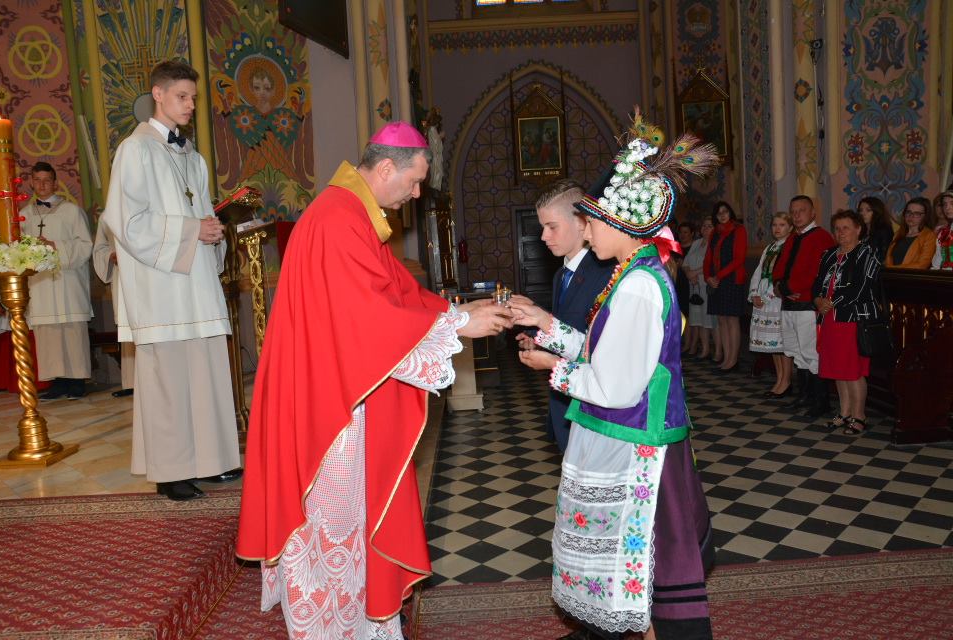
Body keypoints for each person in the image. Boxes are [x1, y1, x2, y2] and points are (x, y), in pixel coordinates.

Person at [236, 121, 514, 640]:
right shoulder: (339, 219)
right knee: (335, 516)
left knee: (354, 514)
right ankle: (331, 629)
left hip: (336, 388)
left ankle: (361, 622)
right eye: (414, 182)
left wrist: (457, 311)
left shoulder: (352, 213)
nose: (416, 194)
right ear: (386, 167)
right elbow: (364, 319)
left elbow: (396, 294)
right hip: (326, 406)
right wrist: (458, 324)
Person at [511, 114, 717, 640]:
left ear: (622, 224)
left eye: (592, 221)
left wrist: (554, 368)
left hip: (637, 448)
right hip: (631, 440)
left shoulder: (638, 286)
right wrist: (547, 325)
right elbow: (604, 354)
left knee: (642, 573)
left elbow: (617, 387)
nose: (586, 231)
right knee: (639, 580)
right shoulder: (631, 275)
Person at [101, 60, 241, 502]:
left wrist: (212, 230)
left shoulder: (192, 157)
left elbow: (198, 213)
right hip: (161, 289)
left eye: (193, 98)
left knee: (204, 372)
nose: (190, 105)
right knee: (169, 381)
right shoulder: (135, 150)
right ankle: (171, 471)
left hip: (196, 284)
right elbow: (127, 222)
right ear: (157, 95)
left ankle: (211, 460)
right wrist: (191, 230)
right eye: (182, 96)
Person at [514, 179, 615, 452]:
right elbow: (567, 325)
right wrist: (538, 339)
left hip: (592, 406)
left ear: (581, 222)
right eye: (543, 227)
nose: (544, 236)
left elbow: (596, 345)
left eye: (552, 227)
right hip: (563, 399)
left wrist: (542, 322)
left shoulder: (605, 274)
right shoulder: (561, 275)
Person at [19, 161, 93, 400]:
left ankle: (77, 381)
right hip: (41, 283)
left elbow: (85, 245)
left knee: (72, 330)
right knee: (48, 333)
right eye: (37, 180)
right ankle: (58, 383)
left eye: (46, 180)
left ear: (55, 183)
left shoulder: (72, 211)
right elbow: (19, 250)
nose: (42, 185)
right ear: (31, 183)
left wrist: (55, 246)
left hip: (67, 281)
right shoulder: (24, 215)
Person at [813, 210, 881, 436]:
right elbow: (817, 283)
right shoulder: (829, 255)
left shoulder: (867, 253)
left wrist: (831, 302)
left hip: (853, 319)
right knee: (837, 368)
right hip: (829, 318)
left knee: (852, 370)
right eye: (837, 228)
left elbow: (861, 287)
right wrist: (818, 300)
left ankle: (859, 416)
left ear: (858, 229)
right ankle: (844, 412)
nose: (841, 233)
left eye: (846, 228)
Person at [772, 195, 836, 418]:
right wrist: (779, 286)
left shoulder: (821, 237)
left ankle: (821, 401)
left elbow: (817, 272)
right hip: (789, 303)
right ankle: (805, 396)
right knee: (796, 351)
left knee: (810, 352)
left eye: (802, 210)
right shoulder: (792, 238)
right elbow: (780, 266)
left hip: (807, 304)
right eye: (793, 211)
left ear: (813, 213)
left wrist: (788, 287)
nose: (797, 215)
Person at [748, 212, 793, 397]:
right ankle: (779, 379)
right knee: (772, 344)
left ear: (790, 227)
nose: (777, 228)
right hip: (764, 296)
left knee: (781, 343)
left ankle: (786, 381)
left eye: (782, 225)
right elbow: (759, 271)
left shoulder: (789, 246)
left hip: (776, 298)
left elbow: (783, 275)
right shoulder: (771, 247)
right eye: (774, 225)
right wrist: (754, 293)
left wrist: (766, 296)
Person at [92, 220, 135, 397]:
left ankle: (154, 381)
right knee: (127, 326)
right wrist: (110, 255)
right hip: (122, 275)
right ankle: (132, 382)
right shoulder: (107, 216)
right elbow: (99, 248)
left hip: (147, 273)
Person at [703, 201, 747, 371]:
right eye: (719, 213)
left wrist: (718, 276)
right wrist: (707, 277)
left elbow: (739, 259)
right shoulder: (715, 232)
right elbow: (708, 257)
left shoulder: (738, 230)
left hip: (732, 279)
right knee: (721, 320)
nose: (722, 215)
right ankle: (727, 358)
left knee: (732, 320)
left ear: (731, 213)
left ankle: (733, 360)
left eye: (725, 211)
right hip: (716, 280)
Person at [682, 216, 714, 358]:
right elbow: (686, 262)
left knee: (707, 318)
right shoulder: (697, 243)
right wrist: (688, 273)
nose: (705, 228)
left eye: (709, 226)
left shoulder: (714, 243)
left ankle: (713, 351)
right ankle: (702, 348)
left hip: (705, 284)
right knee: (697, 318)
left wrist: (694, 273)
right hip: (694, 285)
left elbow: (712, 265)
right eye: (704, 226)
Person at [885, 197, 936, 269]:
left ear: (925, 216)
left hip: (911, 275)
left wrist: (893, 269)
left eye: (917, 213)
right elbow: (888, 259)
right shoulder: (898, 233)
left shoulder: (929, 236)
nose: (911, 216)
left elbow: (922, 264)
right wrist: (889, 270)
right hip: (891, 274)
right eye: (908, 212)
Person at [857, 196, 894, 264]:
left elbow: (884, 257)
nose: (863, 213)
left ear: (877, 211)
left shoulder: (884, 230)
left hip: (876, 268)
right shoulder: (860, 230)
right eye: (860, 210)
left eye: (868, 210)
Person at [931, 190, 953, 270]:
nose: (947, 208)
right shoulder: (943, 233)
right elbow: (936, 264)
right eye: (944, 204)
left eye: (952, 203)